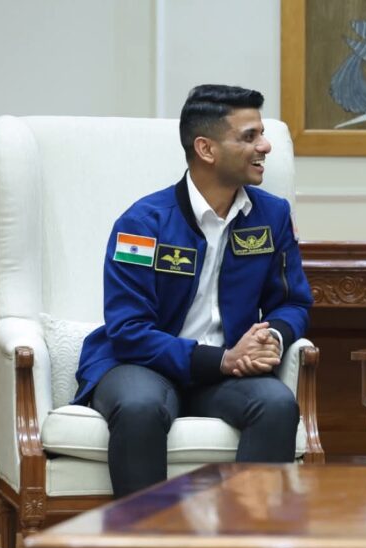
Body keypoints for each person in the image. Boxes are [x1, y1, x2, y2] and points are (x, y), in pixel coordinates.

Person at [74, 84, 313, 498]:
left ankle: (244, 537)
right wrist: (221, 359)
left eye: (262, 134)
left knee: (276, 404)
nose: (265, 146)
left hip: (228, 373)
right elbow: (129, 330)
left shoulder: (272, 215)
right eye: (250, 136)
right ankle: (146, 539)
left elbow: (292, 302)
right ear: (206, 149)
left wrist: (271, 336)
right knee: (140, 407)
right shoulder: (143, 223)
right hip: (141, 365)